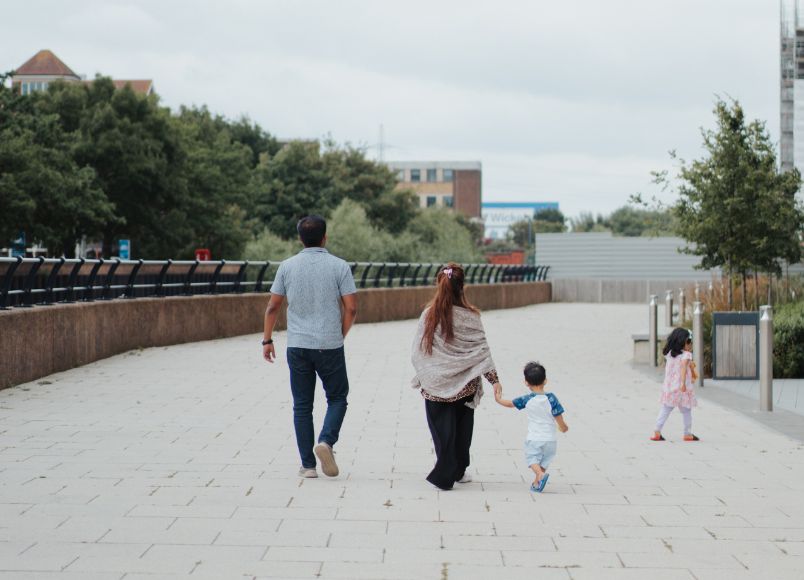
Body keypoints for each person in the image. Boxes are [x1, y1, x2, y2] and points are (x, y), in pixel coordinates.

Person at [262, 215, 358, 479]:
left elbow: (273, 306)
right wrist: (340, 334)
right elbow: (351, 307)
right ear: (325, 237)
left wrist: (267, 339)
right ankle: (326, 442)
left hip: (298, 345)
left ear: (299, 239)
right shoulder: (339, 266)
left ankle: (307, 466)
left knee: (302, 405)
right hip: (329, 344)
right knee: (337, 398)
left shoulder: (287, 266)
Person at [410, 263, 503, 490]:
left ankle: (446, 465)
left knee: (441, 430)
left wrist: (429, 372)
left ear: (438, 283)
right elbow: (482, 350)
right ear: (463, 286)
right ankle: (458, 469)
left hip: (435, 382)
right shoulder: (471, 316)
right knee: (462, 429)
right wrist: (494, 380)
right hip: (465, 384)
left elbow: (418, 350)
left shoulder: (428, 315)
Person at [494, 361, 568, 493]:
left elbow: (510, 404)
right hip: (551, 440)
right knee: (544, 462)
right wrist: (563, 427)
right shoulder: (552, 399)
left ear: (526, 383)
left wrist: (498, 399)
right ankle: (537, 482)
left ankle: (539, 475)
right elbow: (558, 416)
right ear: (545, 381)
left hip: (534, 438)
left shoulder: (527, 399)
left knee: (532, 459)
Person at [651, 327, 699, 442]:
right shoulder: (686, 355)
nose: (690, 345)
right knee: (686, 410)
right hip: (682, 388)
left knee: (665, 409)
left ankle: (657, 431)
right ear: (683, 342)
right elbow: (682, 367)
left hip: (669, 388)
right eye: (689, 342)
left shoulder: (669, 354)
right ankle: (687, 433)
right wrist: (683, 383)